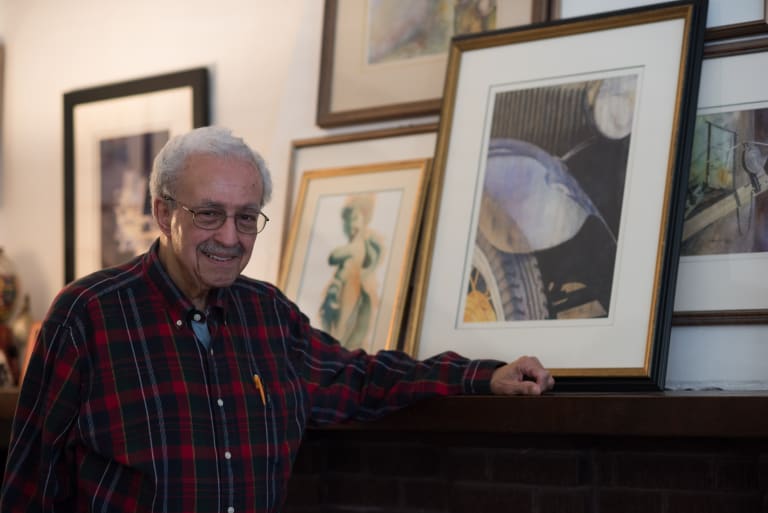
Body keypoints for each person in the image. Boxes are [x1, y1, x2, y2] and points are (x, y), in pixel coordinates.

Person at [0, 126, 554, 512]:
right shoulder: (88, 315)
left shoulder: (269, 315)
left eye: (246, 218)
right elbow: (31, 484)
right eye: (210, 214)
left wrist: (480, 376)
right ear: (163, 213)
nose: (230, 238)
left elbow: (359, 379)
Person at [319, 193, 384, 349]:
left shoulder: (358, 245)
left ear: (364, 221)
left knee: (344, 328)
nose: (349, 225)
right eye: (346, 221)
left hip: (351, 289)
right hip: (344, 288)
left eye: (354, 219)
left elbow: (333, 257)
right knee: (338, 328)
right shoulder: (358, 244)